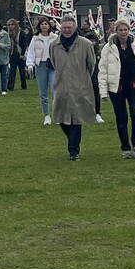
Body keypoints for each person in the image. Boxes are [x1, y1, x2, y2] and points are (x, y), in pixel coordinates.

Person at [98, 20, 135, 159]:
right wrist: (103, 91)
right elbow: (102, 69)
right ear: (116, 31)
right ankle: (125, 148)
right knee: (121, 118)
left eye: (125, 29)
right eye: (120, 30)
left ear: (129, 30)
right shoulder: (108, 47)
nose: (123, 32)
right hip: (117, 87)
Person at [49, 16, 97, 161]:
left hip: (80, 86)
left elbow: (91, 65)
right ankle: (72, 140)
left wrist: (83, 79)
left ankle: (73, 151)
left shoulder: (86, 44)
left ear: (75, 27)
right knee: (61, 118)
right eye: (64, 27)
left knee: (76, 119)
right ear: (60, 28)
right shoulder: (54, 45)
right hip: (61, 86)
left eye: (70, 27)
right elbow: (53, 62)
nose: (67, 30)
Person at [25, 17, 58, 125]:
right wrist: (30, 64)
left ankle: (57, 115)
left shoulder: (55, 37)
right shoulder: (35, 38)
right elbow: (31, 52)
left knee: (55, 90)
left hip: (53, 66)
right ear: (39, 26)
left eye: (46, 24)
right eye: (42, 24)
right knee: (43, 92)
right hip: (41, 66)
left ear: (49, 25)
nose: (44, 26)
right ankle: (46, 115)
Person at [79, 22, 106, 123]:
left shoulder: (98, 52)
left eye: (93, 40)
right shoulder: (81, 52)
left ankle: (97, 113)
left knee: (95, 92)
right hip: (83, 75)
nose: (91, 42)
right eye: (89, 40)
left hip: (95, 75)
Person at [7, 19, 29, 91]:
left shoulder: (21, 33)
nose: (11, 26)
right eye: (9, 25)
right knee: (12, 70)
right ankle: (10, 86)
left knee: (22, 70)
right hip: (13, 53)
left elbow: (24, 44)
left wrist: (22, 54)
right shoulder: (8, 33)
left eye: (12, 24)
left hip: (20, 53)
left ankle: (24, 85)